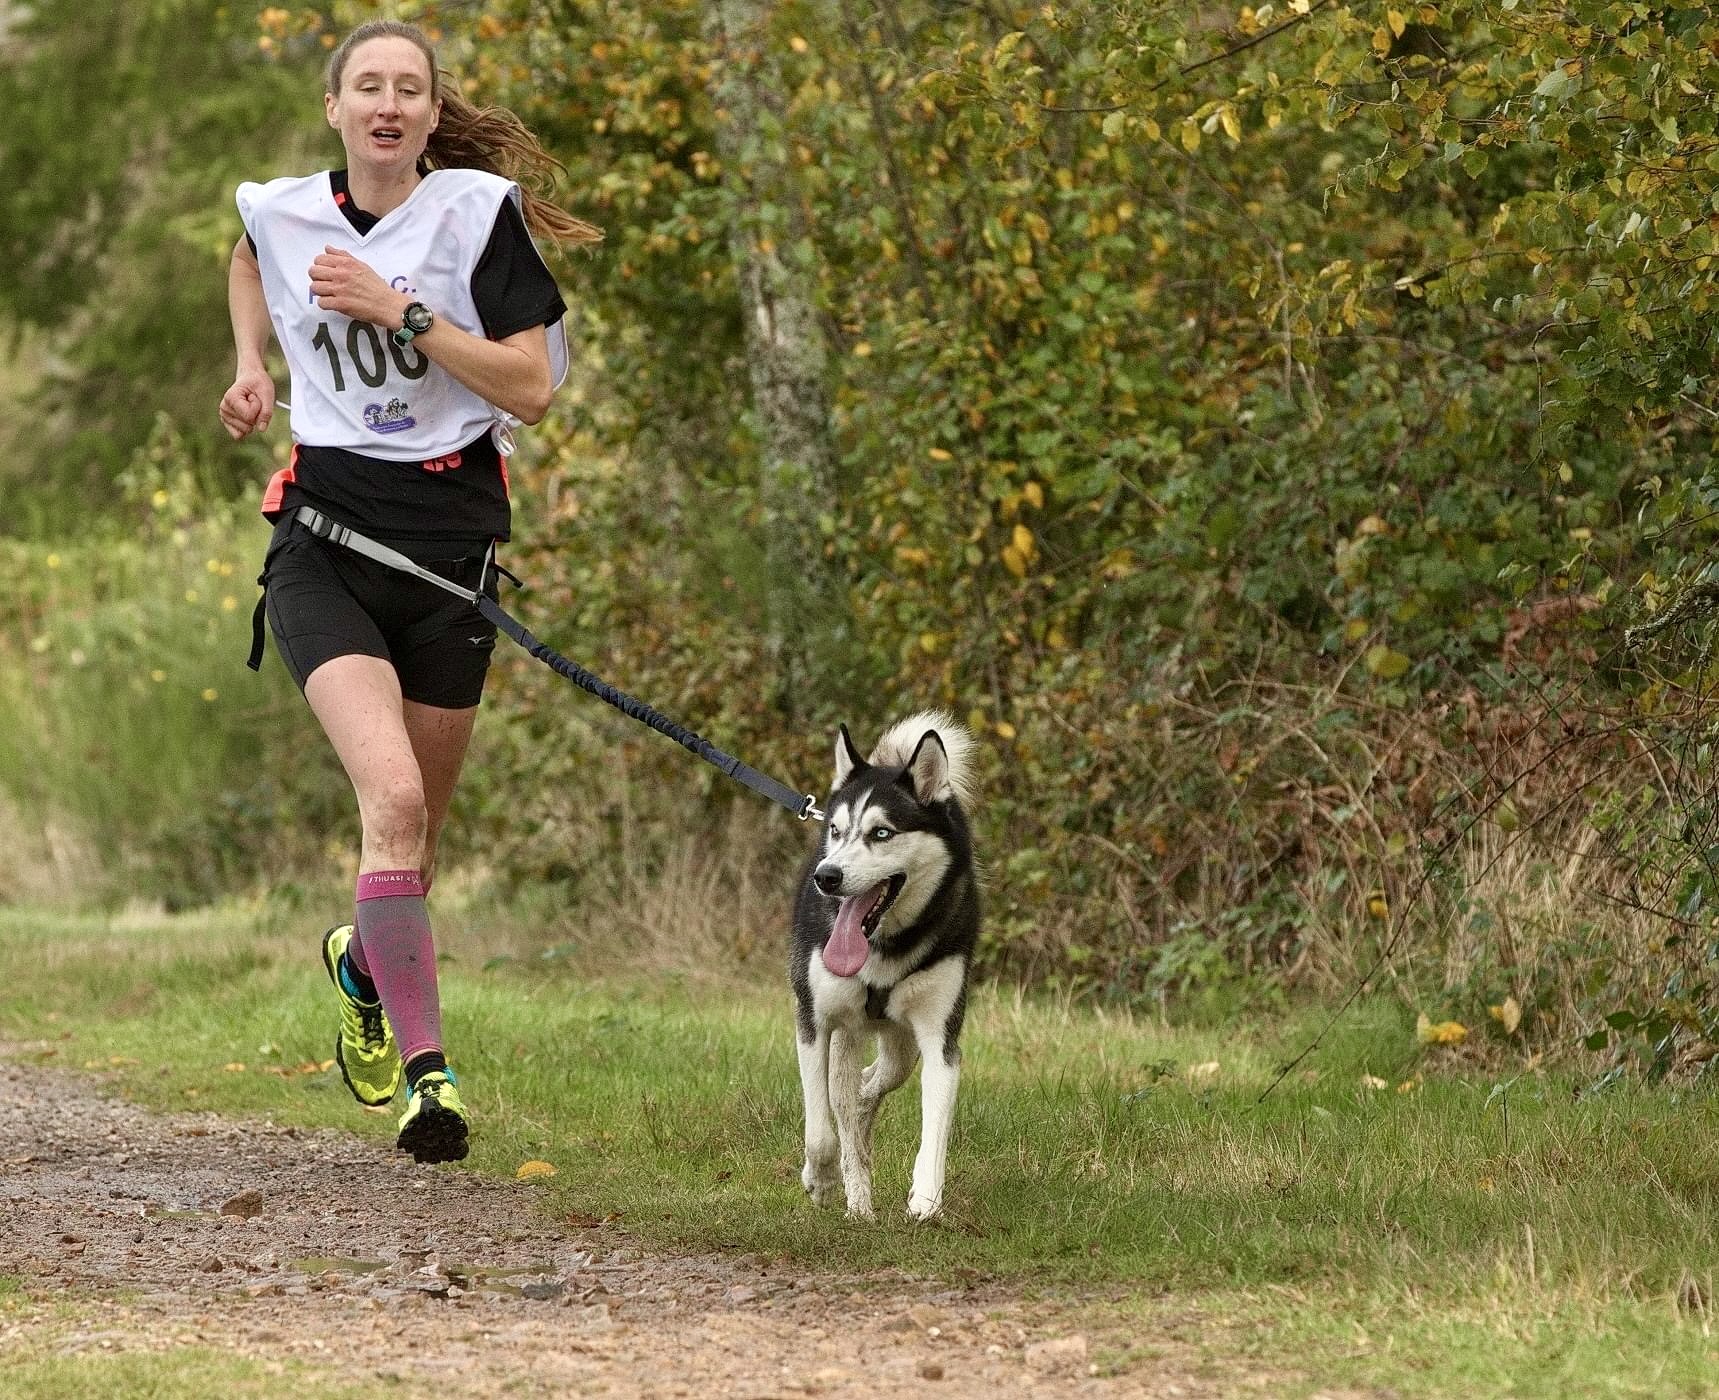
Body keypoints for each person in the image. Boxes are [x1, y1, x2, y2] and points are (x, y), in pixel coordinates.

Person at [218, 20, 600, 1163]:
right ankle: (430, 1086)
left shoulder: (477, 216)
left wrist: (405, 314)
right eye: (368, 86)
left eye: (411, 90)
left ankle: (361, 961)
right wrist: (249, 364)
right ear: (335, 107)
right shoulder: (283, 207)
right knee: (388, 797)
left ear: (434, 117)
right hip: (325, 541)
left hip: (451, 555)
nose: (389, 104)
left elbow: (530, 389)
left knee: (415, 845)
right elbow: (248, 253)